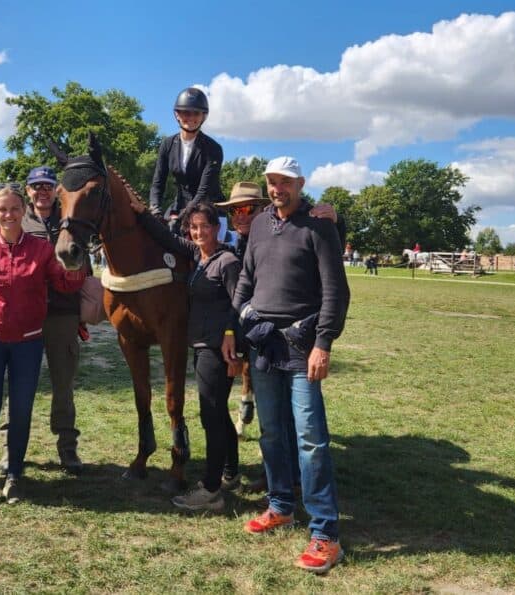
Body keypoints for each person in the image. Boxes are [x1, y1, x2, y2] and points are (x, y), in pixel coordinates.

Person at [225, 156, 350, 574]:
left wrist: (323, 343)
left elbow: (335, 290)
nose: (278, 188)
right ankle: (280, 505)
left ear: (300, 183)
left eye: (285, 182)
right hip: (263, 345)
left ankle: (326, 534)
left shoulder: (319, 225)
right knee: (272, 432)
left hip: (301, 346)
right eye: (272, 182)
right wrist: (238, 320)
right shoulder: (260, 223)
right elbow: (247, 276)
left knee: (311, 439)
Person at [0, 186, 85, 511]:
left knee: (22, 411)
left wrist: (78, 260)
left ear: (22, 209)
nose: (9, 215)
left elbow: (65, 283)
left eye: (15, 209)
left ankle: (14, 475)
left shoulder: (41, 250)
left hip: (28, 343)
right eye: (3, 210)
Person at [130, 199, 240, 511]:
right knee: (218, 414)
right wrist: (140, 211)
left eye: (205, 226)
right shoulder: (197, 255)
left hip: (218, 348)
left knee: (211, 416)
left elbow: (239, 304)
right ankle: (230, 473)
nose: (199, 232)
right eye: (194, 227)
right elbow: (165, 237)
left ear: (217, 228)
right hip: (203, 346)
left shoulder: (227, 261)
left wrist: (233, 340)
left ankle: (210, 489)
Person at [20, 165, 86, 474]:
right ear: (28, 190)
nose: (42, 191)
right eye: (37, 186)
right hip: (25, 315)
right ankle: (12, 447)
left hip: (63, 313)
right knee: (21, 386)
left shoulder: (70, 219)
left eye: (48, 186)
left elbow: (83, 263)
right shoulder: (17, 220)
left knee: (64, 386)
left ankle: (67, 449)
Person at [149, 87, 224, 225]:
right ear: (177, 115)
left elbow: (203, 191)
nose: (190, 117)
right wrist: (155, 209)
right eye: (185, 113)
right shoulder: (167, 144)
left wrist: (181, 217)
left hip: (208, 209)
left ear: (203, 116)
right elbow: (158, 182)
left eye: (196, 113)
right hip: (179, 206)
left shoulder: (213, 149)